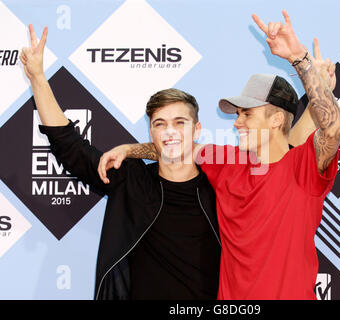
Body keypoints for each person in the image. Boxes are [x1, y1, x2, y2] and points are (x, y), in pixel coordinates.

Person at [98, 10, 340, 300]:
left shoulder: (302, 170)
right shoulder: (226, 163)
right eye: (237, 114)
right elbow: (176, 148)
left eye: (247, 114)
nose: (237, 122)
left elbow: (332, 128)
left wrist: (300, 60)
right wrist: (130, 149)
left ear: (276, 120)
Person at [20, 25, 223, 300]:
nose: (170, 131)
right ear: (151, 131)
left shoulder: (221, 188)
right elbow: (70, 146)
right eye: (160, 124)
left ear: (197, 129)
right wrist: (37, 78)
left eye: (180, 123)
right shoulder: (131, 179)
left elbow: (285, 153)